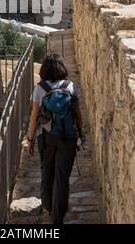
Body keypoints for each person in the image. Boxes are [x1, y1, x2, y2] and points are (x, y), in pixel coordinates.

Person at [26, 54, 83, 225]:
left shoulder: (40, 88)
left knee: (47, 172)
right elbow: (78, 114)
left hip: (47, 137)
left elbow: (34, 117)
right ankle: (58, 215)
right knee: (62, 177)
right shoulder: (70, 86)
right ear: (62, 68)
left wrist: (30, 139)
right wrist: (81, 134)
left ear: (44, 70)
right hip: (68, 137)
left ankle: (49, 206)